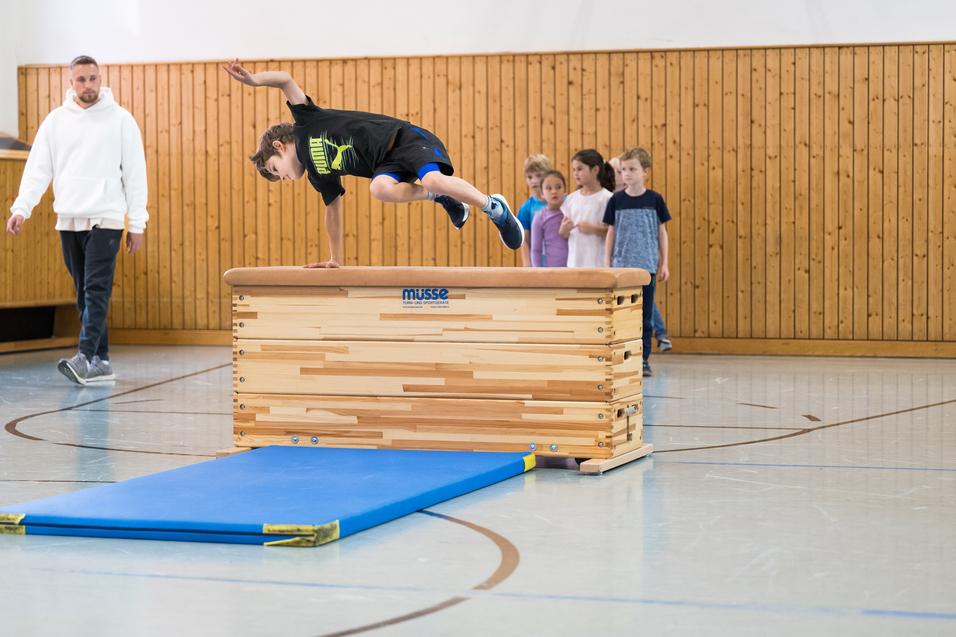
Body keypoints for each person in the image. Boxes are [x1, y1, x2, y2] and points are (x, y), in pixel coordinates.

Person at [223, 60, 522, 267]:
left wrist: (253, 80)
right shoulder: (318, 173)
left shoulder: (305, 120)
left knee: (431, 178)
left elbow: (285, 79)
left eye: (277, 170)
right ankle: (441, 196)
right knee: (379, 188)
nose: (285, 179)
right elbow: (333, 212)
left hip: (404, 139)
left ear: (279, 145)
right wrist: (335, 259)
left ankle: (494, 208)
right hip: (385, 164)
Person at [6, 55, 148, 385]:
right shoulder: (56, 122)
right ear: (71, 83)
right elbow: (38, 169)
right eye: (81, 79)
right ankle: (102, 361)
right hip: (68, 219)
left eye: (93, 79)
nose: (88, 85)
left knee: (96, 290)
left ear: (101, 80)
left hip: (107, 218)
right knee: (83, 294)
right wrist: (21, 208)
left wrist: (137, 223)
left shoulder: (121, 120)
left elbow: (136, 175)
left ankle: (85, 356)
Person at [603, 148, 670, 377]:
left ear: (645, 171)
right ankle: (623, 357)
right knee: (621, 315)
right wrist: (607, 261)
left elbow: (662, 232)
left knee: (645, 316)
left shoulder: (655, 200)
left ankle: (643, 359)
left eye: (632, 169)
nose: (627, 174)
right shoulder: (616, 200)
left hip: (647, 265)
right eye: (623, 170)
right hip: (622, 266)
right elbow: (611, 232)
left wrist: (665, 263)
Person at [560, 149, 613, 267]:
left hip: (598, 264)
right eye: (574, 170)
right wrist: (564, 230)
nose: (575, 173)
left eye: (580, 169)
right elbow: (564, 234)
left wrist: (595, 229)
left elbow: (614, 233)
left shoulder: (608, 199)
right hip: (574, 263)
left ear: (595, 170)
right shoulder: (571, 199)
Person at [516, 154, 551, 266]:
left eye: (539, 175)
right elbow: (525, 241)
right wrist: (527, 265)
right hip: (539, 262)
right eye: (530, 177)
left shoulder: (562, 202)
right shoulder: (526, 208)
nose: (534, 181)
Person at [530, 170, 570, 267]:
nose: (554, 191)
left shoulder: (571, 212)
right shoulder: (540, 217)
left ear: (565, 190)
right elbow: (536, 249)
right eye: (548, 188)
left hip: (575, 267)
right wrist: (538, 272)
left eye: (558, 187)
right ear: (542, 194)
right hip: (553, 270)